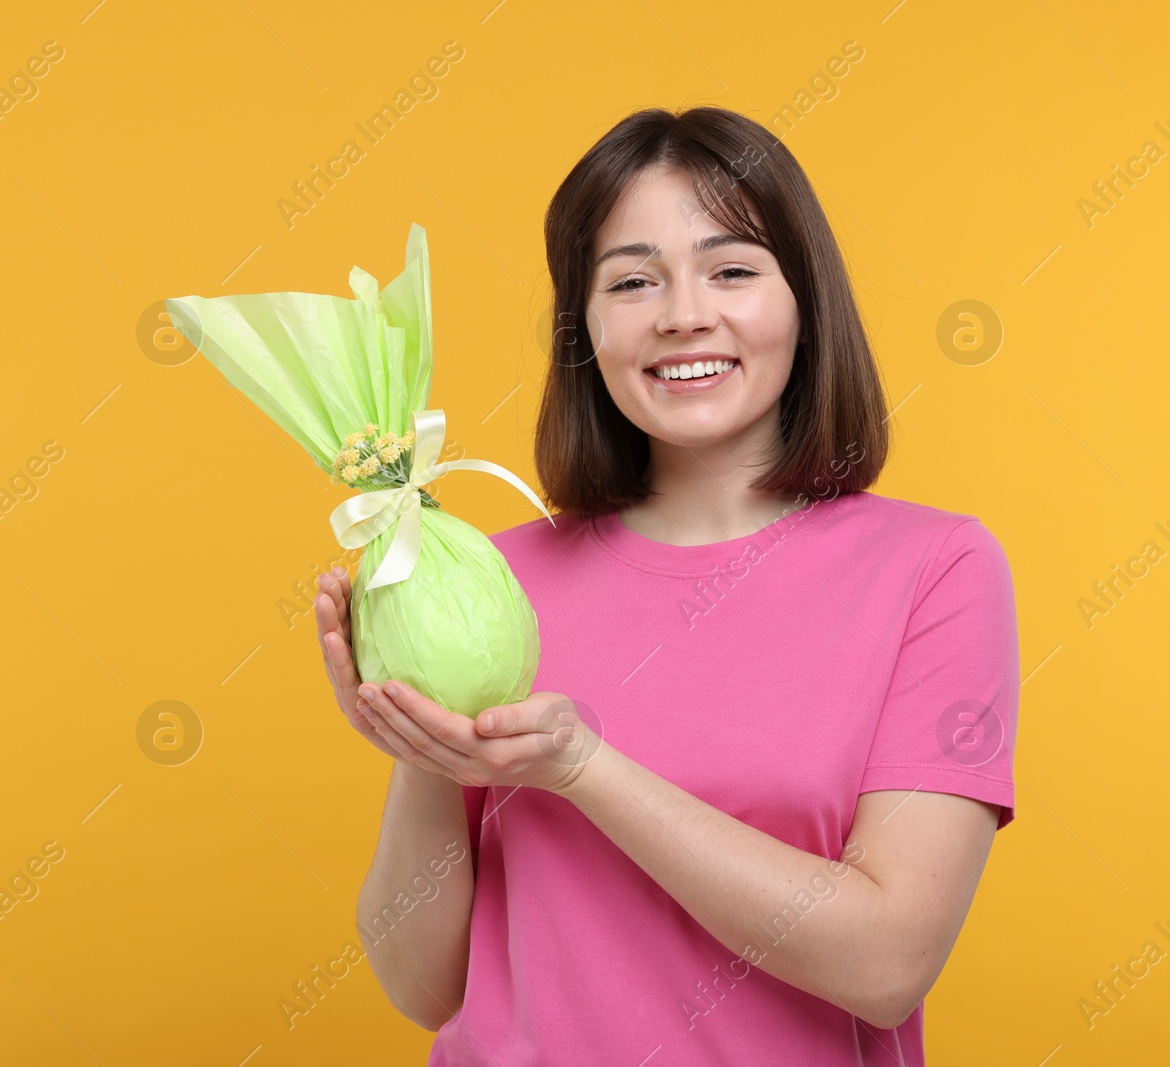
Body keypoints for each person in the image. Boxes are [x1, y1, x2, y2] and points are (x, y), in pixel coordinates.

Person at [315, 105, 1021, 1064]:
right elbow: (424, 985)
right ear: (586, 328)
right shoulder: (497, 577)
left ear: (804, 300)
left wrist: (579, 768)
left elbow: (887, 960)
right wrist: (427, 747)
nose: (684, 312)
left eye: (732, 269)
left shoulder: (934, 571)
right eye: (633, 280)